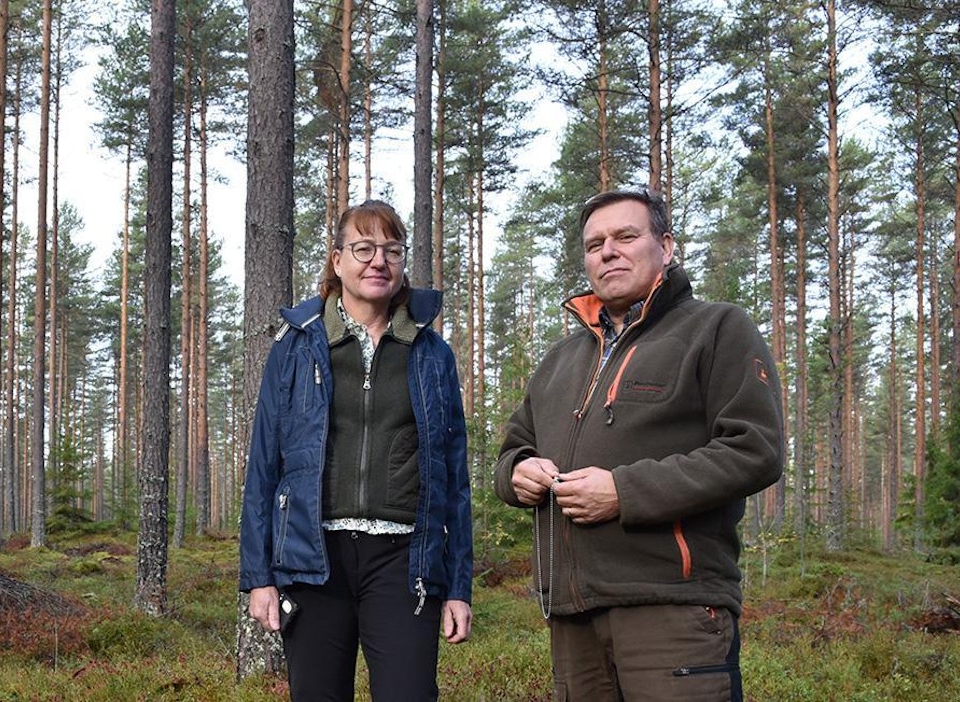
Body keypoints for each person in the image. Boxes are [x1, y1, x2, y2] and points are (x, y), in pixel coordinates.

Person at [493, 188, 783, 701]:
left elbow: (754, 449)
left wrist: (624, 492)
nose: (608, 251)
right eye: (594, 244)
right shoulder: (560, 360)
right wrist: (517, 472)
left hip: (672, 608)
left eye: (625, 236)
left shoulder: (716, 329)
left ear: (665, 247)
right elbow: (513, 449)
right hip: (572, 616)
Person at [240, 200, 474, 701]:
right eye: (364, 249)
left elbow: (454, 478)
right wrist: (259, 577)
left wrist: (458, 586)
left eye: (392, 250)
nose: (379, 262)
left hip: (405, 562)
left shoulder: (432, 354)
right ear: (337, 259)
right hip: (314, 559)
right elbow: (264, 467)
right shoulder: (296, 347)